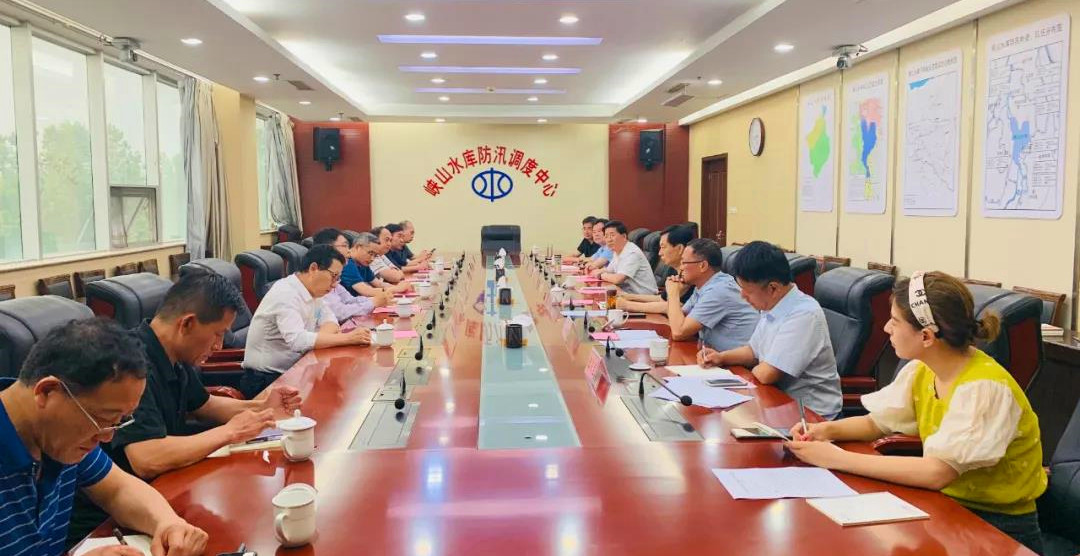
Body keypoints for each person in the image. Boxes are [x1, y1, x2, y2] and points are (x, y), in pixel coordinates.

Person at [785, 271, 1046, 553]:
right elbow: (877, 423)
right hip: (945, 507)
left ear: (926, 336)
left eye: (895, 321)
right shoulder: (924, 369)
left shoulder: (984, 388)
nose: (886, 328)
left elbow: (938, 472)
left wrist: (837, 458)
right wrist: (826, 430)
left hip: (996, 527)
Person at [68, 273, 305, 545]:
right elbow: (146, 458)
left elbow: (205, 404)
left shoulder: (174, 354)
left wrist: (262, 406)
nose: (218, 346)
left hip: (165, 494)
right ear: (187, 324)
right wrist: (229, 433)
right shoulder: (131, 367)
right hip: (113, 523)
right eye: (217, 334)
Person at [1, 319, 207, 556]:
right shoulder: (60, 436)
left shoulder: (57, 437)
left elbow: (118, 489)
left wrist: (168, 524)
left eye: (118, 422)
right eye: (102, 419)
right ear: (47, 391)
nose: (107, 437)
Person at [697, 240, 842, 419]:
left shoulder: (804, 315)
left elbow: (767, 374)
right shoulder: (772, 304)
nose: (742, 296)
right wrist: (721, 357)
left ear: (773, 288)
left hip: (811, 416)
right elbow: (753, 351)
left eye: (747, 291)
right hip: (775, 404)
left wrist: (754, 369)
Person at [241, 244, 372, 398]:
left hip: (299, 370)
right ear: (313, 268)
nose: (335, 284)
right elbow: (297, 340)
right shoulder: (286, 293)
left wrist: (323, 339)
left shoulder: (313, 291)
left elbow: (331, 321)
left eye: (338, 278)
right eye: (333, 276)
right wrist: (348, 338)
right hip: (267, 380)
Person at [664, 239, 758, 350]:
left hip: (736, 359)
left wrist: (673, 293)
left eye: (684, 262)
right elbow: (680, 317)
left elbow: (678, 332)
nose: (681, 268)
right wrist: (675, 292)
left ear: (703, 266)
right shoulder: (704, 285)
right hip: (713, 354)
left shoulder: (719, 290)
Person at [312, 227, 388, 320]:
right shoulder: (321, 277)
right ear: (328, 248)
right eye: (344, 246)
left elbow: (349, 300)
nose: (349, 251)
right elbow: (340, 313)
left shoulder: (334, 276)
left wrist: (375, 300)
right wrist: (373, 302)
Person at [618, 224, 695, 313]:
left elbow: (677, 307)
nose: (659, 253)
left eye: (663, 247)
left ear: (680, 248)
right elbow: (663, 299)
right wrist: (628, 296)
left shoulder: (692, 275)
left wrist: (627, 305)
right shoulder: (675, 271)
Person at [592, 220, 657, 296]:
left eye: (612, 235)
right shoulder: (617, 250)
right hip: (628, 294)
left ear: (624, 237)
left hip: (644, 298)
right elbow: (609, 270)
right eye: (606, 236)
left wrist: (601, 275)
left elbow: (618, 279)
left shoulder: (632, 253)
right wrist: (598, 271)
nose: (609, 240)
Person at [341, 232, 412, 298]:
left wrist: (400, 286)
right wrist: (396, 289)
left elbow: (379, 284)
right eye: (370, 253)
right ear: (358, 247)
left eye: (375, 255)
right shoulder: (348, 263)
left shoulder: (362, 263)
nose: (372, 259)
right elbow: (366, 291)